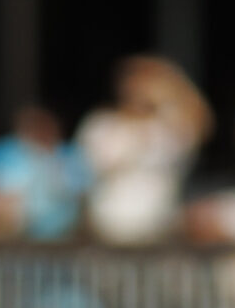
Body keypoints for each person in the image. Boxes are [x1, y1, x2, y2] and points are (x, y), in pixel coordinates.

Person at [75, 55, 211, 245]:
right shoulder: (102, 124)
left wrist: (176, 83)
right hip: (107, 232)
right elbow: (93, 167)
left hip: (159, 232)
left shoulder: (168, 127)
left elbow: (201, 123)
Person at [0, 105, 90, 242]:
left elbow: (82, 194)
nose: (41, 132)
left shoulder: (69, 155)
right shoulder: (1, 153)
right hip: (12, 239)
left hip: (63, 237)